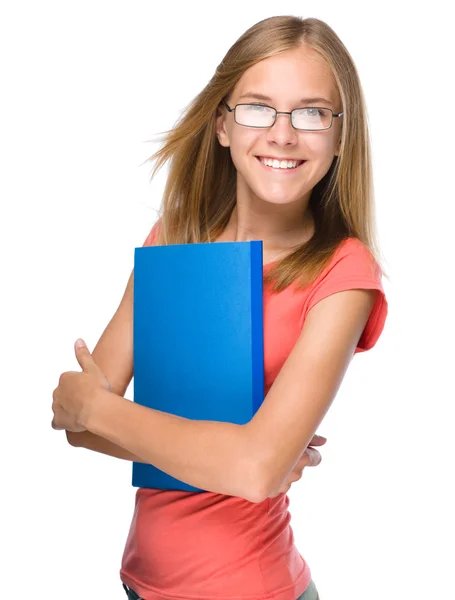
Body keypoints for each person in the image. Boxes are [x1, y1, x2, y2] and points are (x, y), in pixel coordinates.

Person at [52, 15, 388, 600]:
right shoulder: (175, 237)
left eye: (311, 113)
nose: (283, 134)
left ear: (340, 135)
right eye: (258, 108)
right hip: (140, 582)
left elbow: (252, 471)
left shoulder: (344, 271)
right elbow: (77, 428)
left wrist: (252, 461)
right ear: (223, 126)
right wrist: (235, 456)